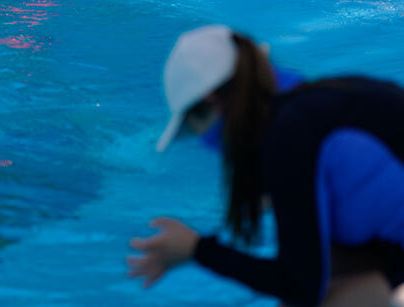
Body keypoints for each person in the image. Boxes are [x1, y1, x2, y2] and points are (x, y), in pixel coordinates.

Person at [128, 25, 404, 307]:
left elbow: (299, 286)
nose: (202, 141)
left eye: (193, 127)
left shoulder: (290, 136)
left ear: (212, 102)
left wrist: (196, 249)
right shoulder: (314, 102)